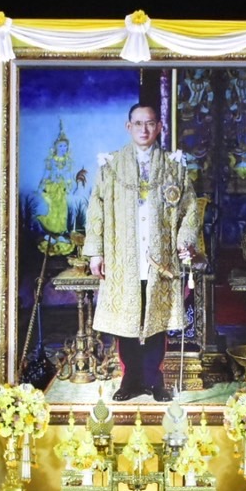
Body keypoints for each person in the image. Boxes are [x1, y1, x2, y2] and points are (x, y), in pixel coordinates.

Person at [82, 101, 204, 402]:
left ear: (159, 126)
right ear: (128, 127)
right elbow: (95, 210)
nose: (144, 129)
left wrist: (185, 242)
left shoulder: (175, 166)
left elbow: (190, 209)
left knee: (156, 321)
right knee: (127, 320)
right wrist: (96, 253)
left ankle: (154, 380)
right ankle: (130, 380)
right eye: (138, 123)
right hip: (123, 257)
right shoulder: (110, 166)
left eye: (150, 123)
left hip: (159, 259)